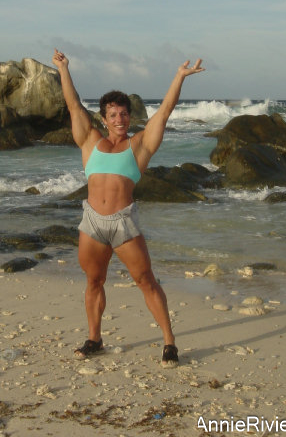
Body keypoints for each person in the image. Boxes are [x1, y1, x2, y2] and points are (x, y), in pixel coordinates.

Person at [52, 48, 205, 367]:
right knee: (94, 282)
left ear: (129, 117)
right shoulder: (89, 140)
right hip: (92, 223)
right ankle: (95, 339)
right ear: (104, 119)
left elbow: (164, 112)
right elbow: (73, 105)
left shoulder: (140, 145)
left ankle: (169, 342)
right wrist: (64, 69)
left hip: (123, 223)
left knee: (146, 281)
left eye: (123, 114)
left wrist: (179, 76)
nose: (119, 120)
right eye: (113, 115)